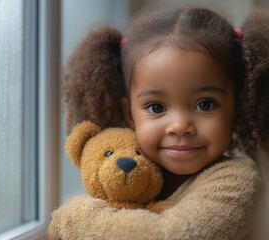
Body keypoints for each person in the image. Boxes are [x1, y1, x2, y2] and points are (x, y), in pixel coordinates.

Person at [49, 7, 269, 239]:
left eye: (205, 104)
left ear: (237, 107)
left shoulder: (237, 181)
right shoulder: (126, 174)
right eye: (156, 107)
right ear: (131, 114)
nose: (180, 125)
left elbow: (165, 234)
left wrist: (68, 218)